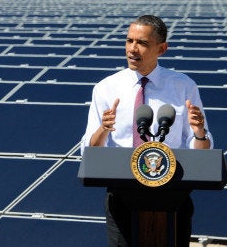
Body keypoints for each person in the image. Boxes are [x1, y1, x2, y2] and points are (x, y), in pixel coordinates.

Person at [80, 15, 213, 246]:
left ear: (162, 49)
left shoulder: (183, 86)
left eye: (142, 43)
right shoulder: (106, 88)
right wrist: (103, 129)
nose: (132, 49)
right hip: (122, 196)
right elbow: (90, 151)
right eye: (129, 40)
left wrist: (200, 131)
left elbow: (200, 148)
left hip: (173, 194)